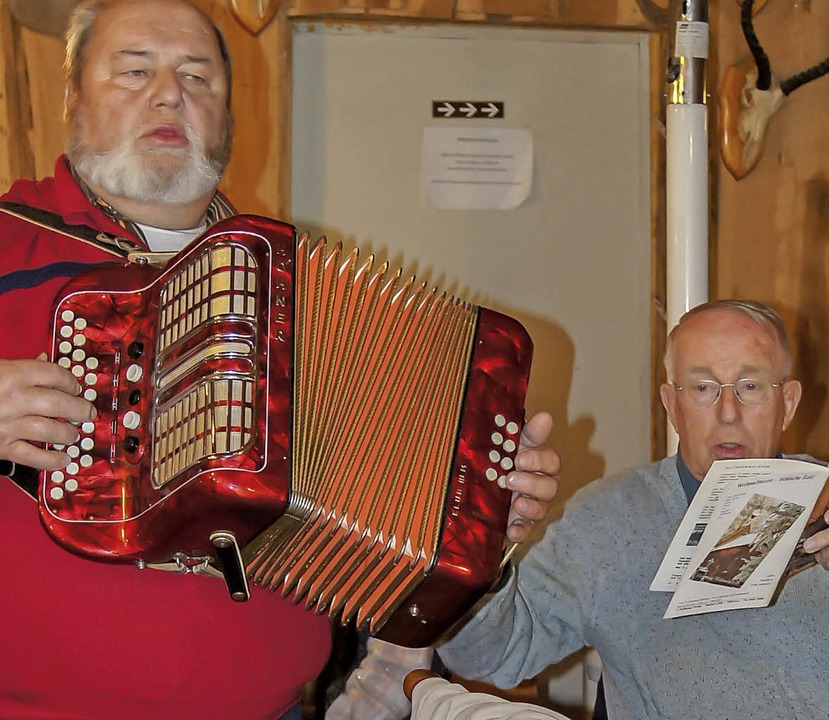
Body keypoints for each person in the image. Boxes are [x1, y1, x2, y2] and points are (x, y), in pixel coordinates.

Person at [0, 1, 560, 718]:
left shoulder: (294, 294)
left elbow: (391, 520)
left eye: (198, 77)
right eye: (135, 70)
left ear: (228, 119)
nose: (170, 93)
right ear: (73, 97)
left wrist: (485, 503)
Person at [436, 300, 829, 719]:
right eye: (701, 388)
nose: (727, 413)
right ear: (671, 406)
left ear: (787, 402)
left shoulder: (825, 498)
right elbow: (487, 656)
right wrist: (482, 535)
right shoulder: (605, 524)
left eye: (750, 387)